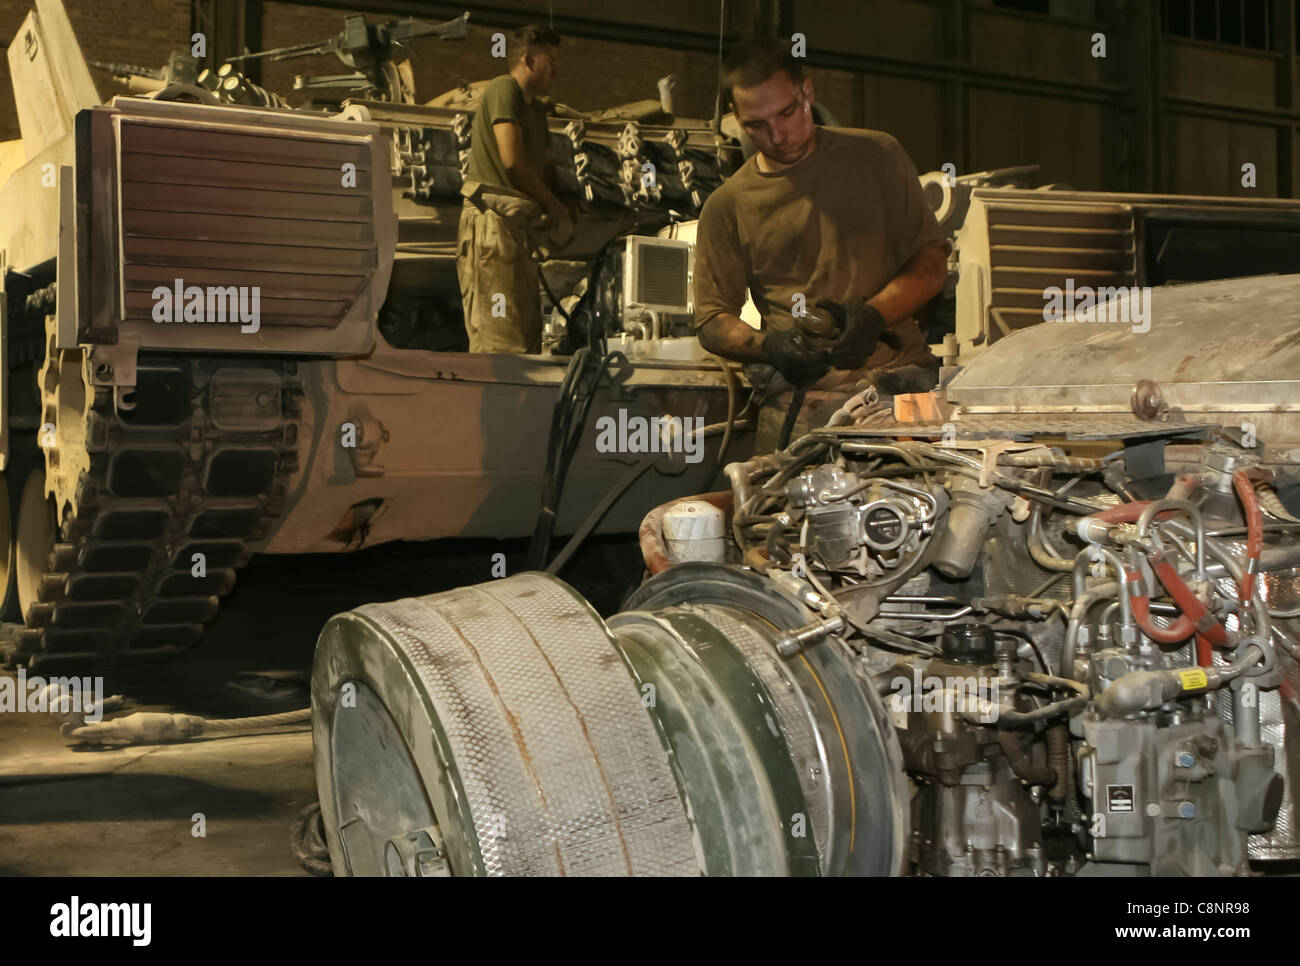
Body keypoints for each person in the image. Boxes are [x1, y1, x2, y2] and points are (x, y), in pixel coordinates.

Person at [692, 39, 949, 394]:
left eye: (786, 113)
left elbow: (932, 265)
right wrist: (770, 347)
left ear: (806, 92)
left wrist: (873, 317)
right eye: (756, 125)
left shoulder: (877, 157)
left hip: (901, 385)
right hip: (800, 397)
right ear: (737, 118)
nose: (778, 136)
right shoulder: (727, 206)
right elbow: (711, 320)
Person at [457, 25, 573, 354]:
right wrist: (552, 204)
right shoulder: (503, 89)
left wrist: (564, 202)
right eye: (551, 60)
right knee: (500, 343)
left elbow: (542, 167)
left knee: (526, 340)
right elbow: (512, 159)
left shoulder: (535, 110)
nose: (556, 69)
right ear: (529, 60)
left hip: (518, 229)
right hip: (493, 224)